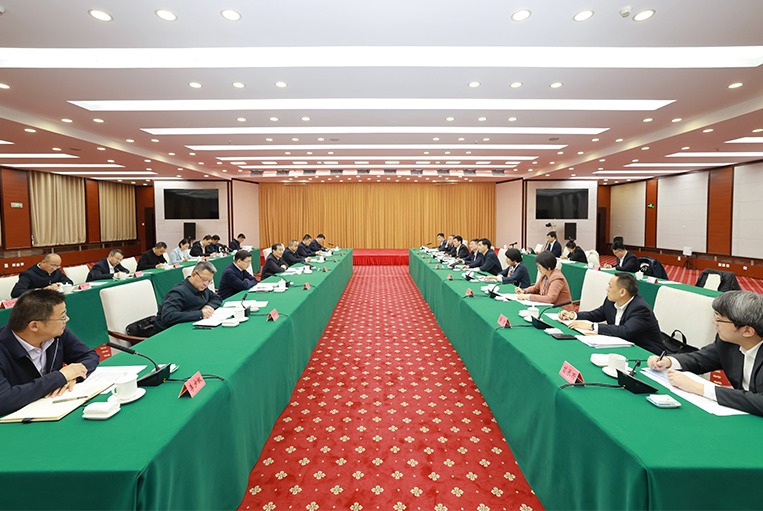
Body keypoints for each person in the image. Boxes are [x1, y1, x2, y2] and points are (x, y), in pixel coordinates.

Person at [647, 291, 763, 416]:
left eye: (719, 319)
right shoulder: (729, 342)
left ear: (747, 331)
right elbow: (700, 359)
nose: (714, 322)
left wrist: (699, 388)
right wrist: (668, 362)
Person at [0, 289, 99, 415]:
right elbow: (3, 400)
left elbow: (89, 356)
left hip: (53, 408)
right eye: (62, 317)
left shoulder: (56, 334)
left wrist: (74, 375)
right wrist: (60, 377)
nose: (67, 319)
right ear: (34, 326)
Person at [560, 273, 665, 354]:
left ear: (622, 292)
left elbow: (626, 331)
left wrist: (592, 327)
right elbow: (598, 314)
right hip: (621, 347)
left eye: (610, 286)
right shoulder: (611, 301)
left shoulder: (640, 308)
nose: (607, 289)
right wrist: (574, 315)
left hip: (646, 354)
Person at [154, 261, 222, 333]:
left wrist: (208, 306)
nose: (206, 284)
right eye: (204, 280)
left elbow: (217, 298)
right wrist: (200, 314)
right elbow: (168, 316)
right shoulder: (178, 292)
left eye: (209, 281)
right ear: (193, 274)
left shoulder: (202, 287)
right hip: (169, 331)